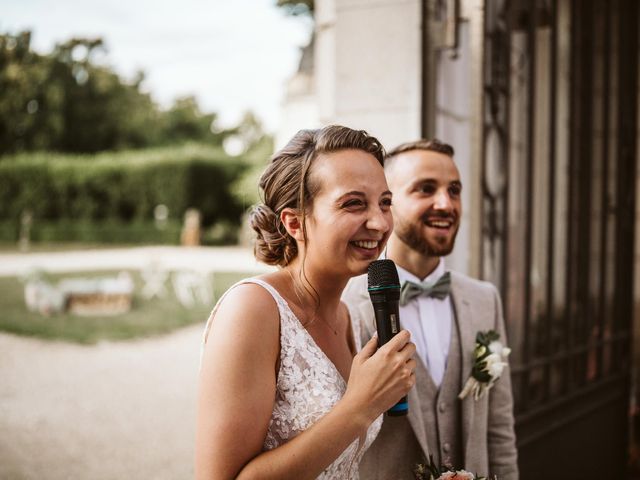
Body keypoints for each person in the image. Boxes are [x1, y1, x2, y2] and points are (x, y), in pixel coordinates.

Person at [195, 125, 417, 480]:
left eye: (385, 203)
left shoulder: (349, 316)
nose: (379, 222)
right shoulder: (253, 309)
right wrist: (359, 407)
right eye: (354, 203)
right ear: (295, 223)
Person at [343, 139, 518, 479]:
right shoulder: (346, 305)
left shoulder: (484, 299)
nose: (446, 203)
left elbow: (499, 427)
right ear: (386, 206)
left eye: (454, 191)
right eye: (425, 189)